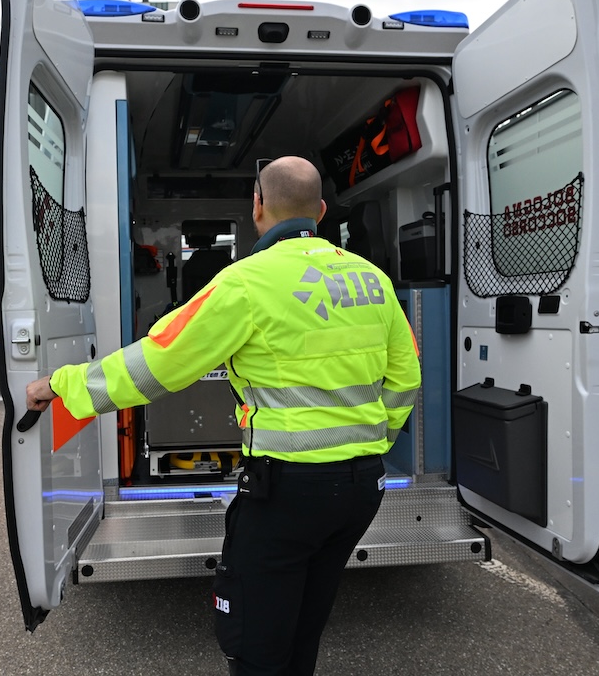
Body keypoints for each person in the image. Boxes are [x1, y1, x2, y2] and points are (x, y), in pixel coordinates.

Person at [25, 156, 421, 676]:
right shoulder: (373, 281)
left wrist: (62, 384)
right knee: (306, 624)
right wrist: (375, 442)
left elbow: (158, 363)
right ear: (321, 211)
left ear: (257, 206)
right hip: (363, 488)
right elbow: (406, 377)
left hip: (288, 493)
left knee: (255, 642)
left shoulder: (246, 283)